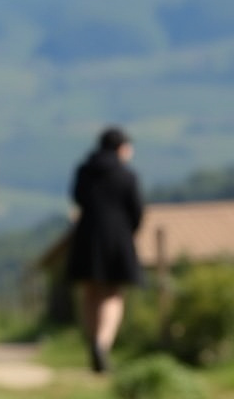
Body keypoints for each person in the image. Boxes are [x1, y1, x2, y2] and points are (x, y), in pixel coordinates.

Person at [65, 126, 144, 373]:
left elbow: (77, 198)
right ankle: (103, 344)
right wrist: (128, 231)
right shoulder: (126, 175)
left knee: (90, 290)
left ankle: (92, 343)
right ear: (121, 148)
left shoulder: (84, 170)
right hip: (117, 236)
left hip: (87, 234)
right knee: (113, 293)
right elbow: (137, 211)